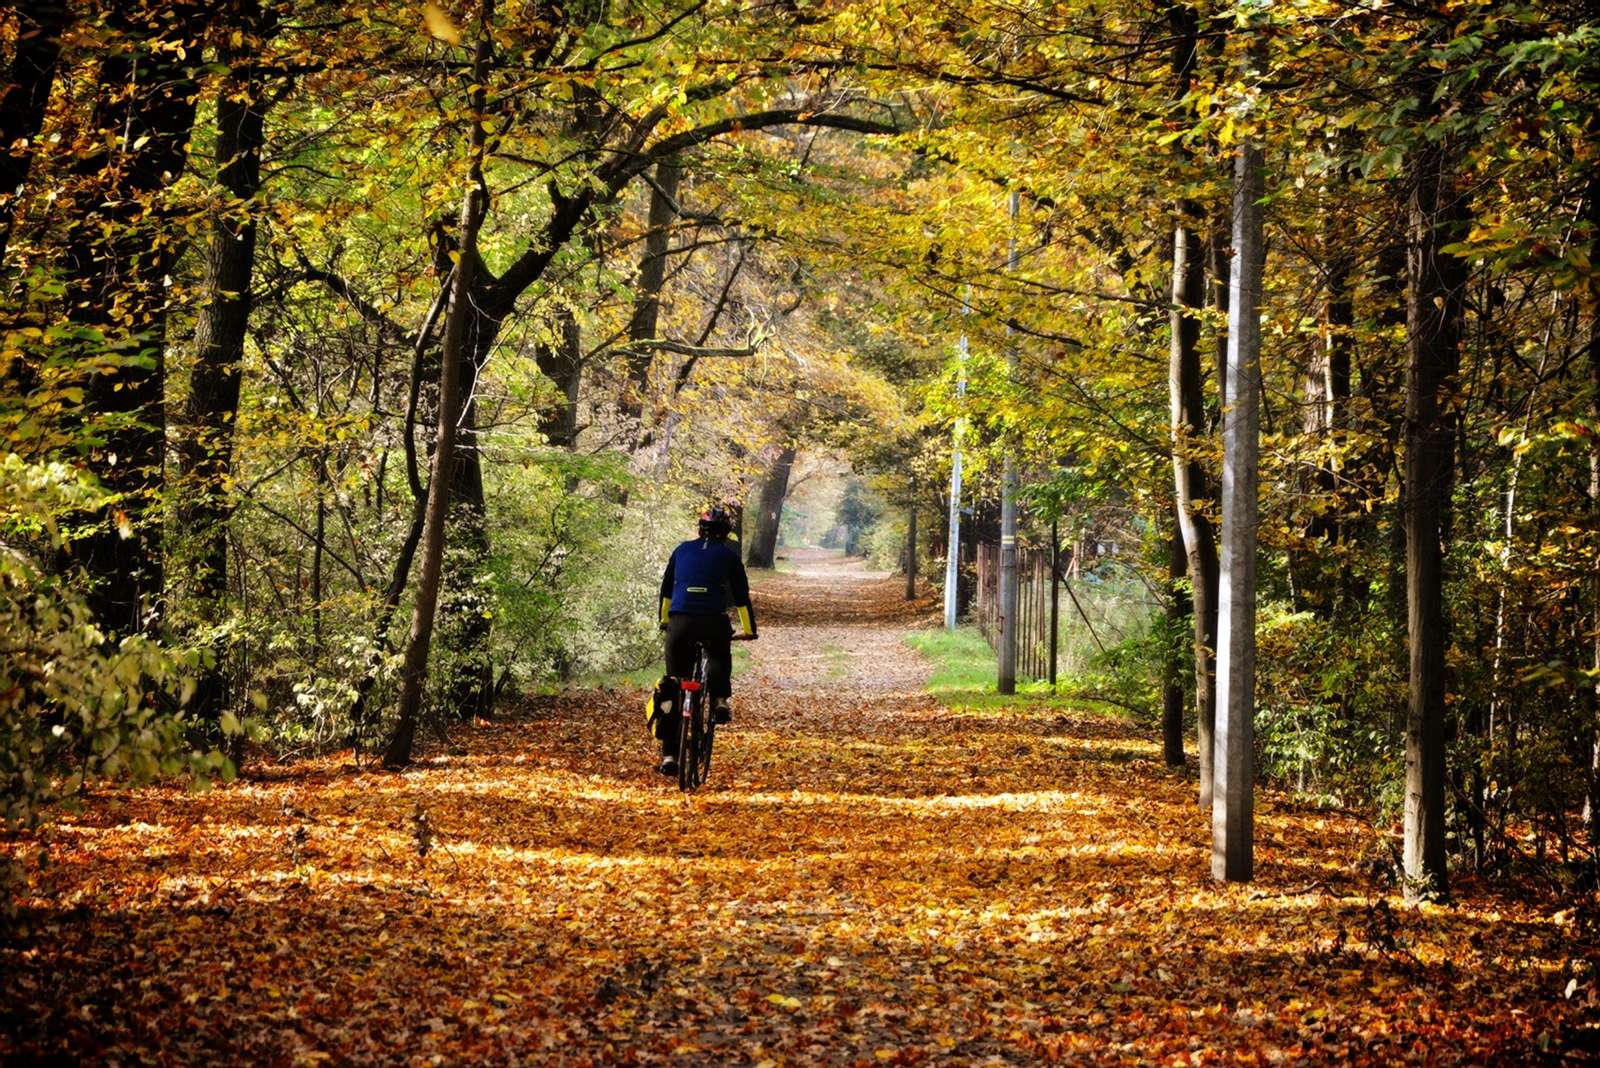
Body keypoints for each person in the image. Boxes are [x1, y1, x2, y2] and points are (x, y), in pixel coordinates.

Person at [653, 505, 757, 776]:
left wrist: (666, 621)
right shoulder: (729, 555)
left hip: (680, 622)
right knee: (720, 654)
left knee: (673, 687)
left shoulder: (681, 550)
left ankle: (669, 757)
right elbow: (741, 596)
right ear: (726, 533)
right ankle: (720, 700)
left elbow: (666, 590)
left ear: (700, 529)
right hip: (712, 620)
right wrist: (750, 629)